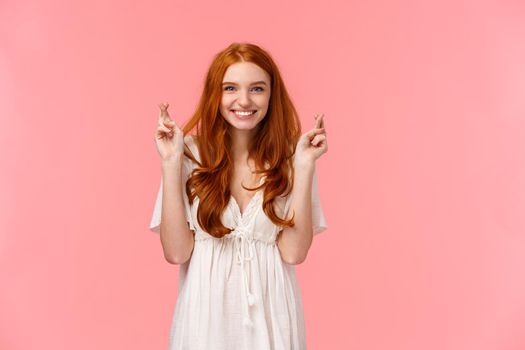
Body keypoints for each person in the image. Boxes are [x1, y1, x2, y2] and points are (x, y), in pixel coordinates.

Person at [149, 42, 328, 350]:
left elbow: (294, 253)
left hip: (273, 317)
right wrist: (170, 161)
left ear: (272, 95)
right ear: (215, 95)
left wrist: (305, 165)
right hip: (205, 320)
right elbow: (176, 253)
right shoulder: (189, 154)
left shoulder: (291, 156)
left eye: (257, 89)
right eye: (230, 88)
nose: (243, 100)